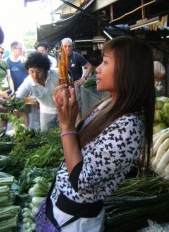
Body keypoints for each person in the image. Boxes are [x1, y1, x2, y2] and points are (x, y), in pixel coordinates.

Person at [35, 36, 155, 231]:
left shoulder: (128, 126)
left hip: (75, 221)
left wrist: (66, 125)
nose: (97, 68)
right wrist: (72, 116)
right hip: (61, 208)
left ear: (129, 71)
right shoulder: (109, 104)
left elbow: (79, 180)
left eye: (105, 62)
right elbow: (83, 148)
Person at [16, 52, 60, 131]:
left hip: (63, 109)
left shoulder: (58, 74)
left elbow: (71, 89)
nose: (35, 75)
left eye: (39, 71)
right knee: (46, 136)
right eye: (31, 71)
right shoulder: (28, 82)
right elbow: (17, 97)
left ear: (46, 70)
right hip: (46, 112)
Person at [61, 37, 92, 122]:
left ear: (72, 46)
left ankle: (79, 126)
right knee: (66, 106)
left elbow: (89, 66)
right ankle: (70, 125)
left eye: (69, 46)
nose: (67, 48)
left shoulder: (76, 56)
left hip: (75, 84)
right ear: (62, 47)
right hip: (64, 85)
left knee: (77, 107)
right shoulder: (60, 58)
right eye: (65, 46)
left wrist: (83, 79)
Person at [6, 41, 29, 125]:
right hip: (12, 93)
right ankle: (17, 133)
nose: (22, 50)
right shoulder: (6, 61)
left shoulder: (24, 60)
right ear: (13, 49)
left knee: (24, 112)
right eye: (20, 48)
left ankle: (26, 133)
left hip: (25, 92)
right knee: (15, 113)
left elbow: (30, 74)